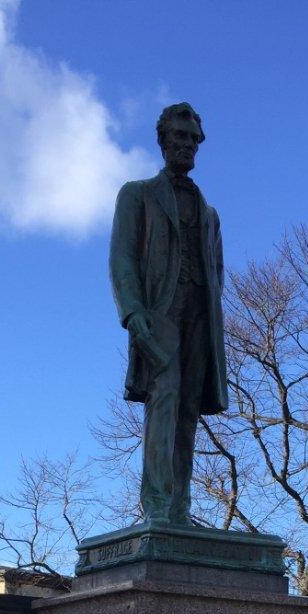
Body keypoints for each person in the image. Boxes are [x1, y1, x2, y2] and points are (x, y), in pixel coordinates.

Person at [109, 102, 228, 525]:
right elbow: (122, 258)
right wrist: (132, 313)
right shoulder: (137, 194)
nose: (188, 145)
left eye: (194, 139)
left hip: (201, 319)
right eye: (180, 137)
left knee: (188, 409)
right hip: (159, 315)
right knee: (164, 399)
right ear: (163, 141)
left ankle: (180, 508)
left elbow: (217, 273)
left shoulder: (210, 215)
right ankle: (157, 506)